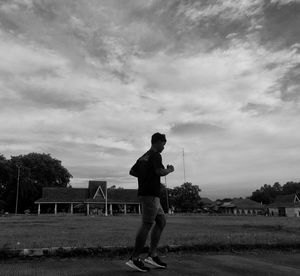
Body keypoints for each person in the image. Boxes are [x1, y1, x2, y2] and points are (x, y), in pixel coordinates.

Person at [126, 133, 175, 272]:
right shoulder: (155, 155)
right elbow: (160, 171)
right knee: (147, 224)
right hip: (150, 196)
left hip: (152, 196)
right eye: (163, 144)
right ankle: (134, 258)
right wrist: (170, 170)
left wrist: (145, 176)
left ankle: (152, 255)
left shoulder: (143, 157)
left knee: (161, 222)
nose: (163, 147)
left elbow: (132, 171)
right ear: (157, 142)